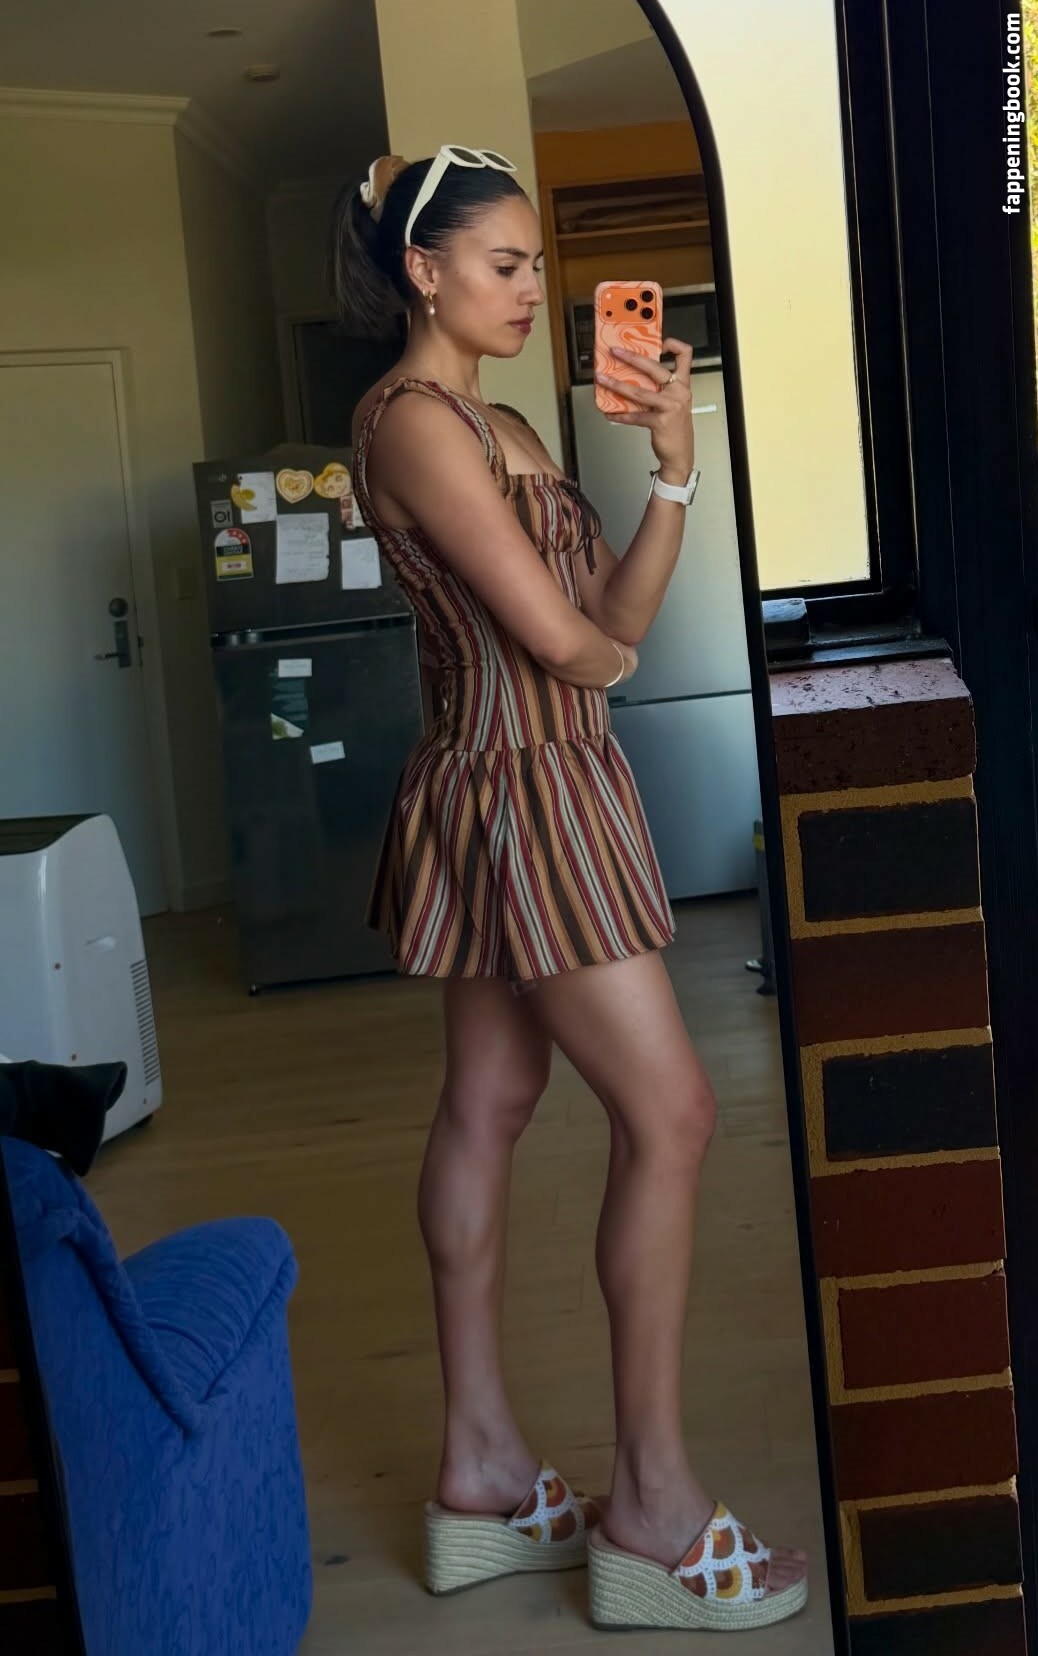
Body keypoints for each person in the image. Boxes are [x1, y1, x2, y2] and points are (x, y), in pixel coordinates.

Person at [329, 146, 808, 1634]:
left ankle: (479, 1472)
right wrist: (596, 653)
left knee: (490, 1101)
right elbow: (563, 644)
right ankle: (650, 1505)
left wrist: (671, 465)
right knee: (674, 1114)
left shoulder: (510, 420)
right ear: (424, 272)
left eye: (538, 265)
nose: (534, 288)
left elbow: (610, 617)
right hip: (518, 790)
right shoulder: (412, 420)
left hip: (546, 778)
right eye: (504, 264)